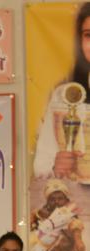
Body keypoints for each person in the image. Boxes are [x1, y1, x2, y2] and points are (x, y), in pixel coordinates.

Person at [33, 2, 90, 180]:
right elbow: (41, 167)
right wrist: (56, 166)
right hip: (80, 195)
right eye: (89, 35)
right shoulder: (64, 94)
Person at [29, 179, 85, 251]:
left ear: (66, 200)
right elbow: (26, 235)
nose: (56, 202)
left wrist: (78, 244)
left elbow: (79, 248)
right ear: (47, 200)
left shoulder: (72, 220)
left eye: (60, 198)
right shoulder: (36, 215)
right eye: (52, 199)